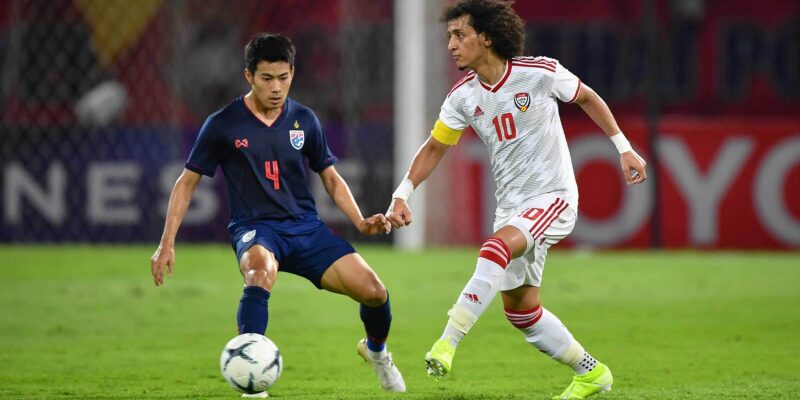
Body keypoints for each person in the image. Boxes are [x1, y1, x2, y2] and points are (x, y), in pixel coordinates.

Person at [386, 1, 647, 399]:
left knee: (494, 249)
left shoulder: (539, 73)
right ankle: (591, 373)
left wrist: (623, 148)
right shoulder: (462, 97)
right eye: (449, 37)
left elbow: (587, 97)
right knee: (522, 312)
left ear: (486, 38)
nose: (451, 45)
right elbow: (435, 147)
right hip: (512, 208)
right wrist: (402, 193)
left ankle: (447, 341)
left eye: (460, 35)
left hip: (554, 198)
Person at [150, 33, 405, 396]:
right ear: (249, 76)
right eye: (267, 78)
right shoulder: (223, 124)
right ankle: (252, 385)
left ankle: (376, 353)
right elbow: (186, 183)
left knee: (375, 292)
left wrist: (360, 221)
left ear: (292, 74)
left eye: (283, 78)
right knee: (259, 272)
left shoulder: (304, 119)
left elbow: (330, 177)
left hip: (305, 229)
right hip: (255, 228)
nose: (276, 87)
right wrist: (167, 242)